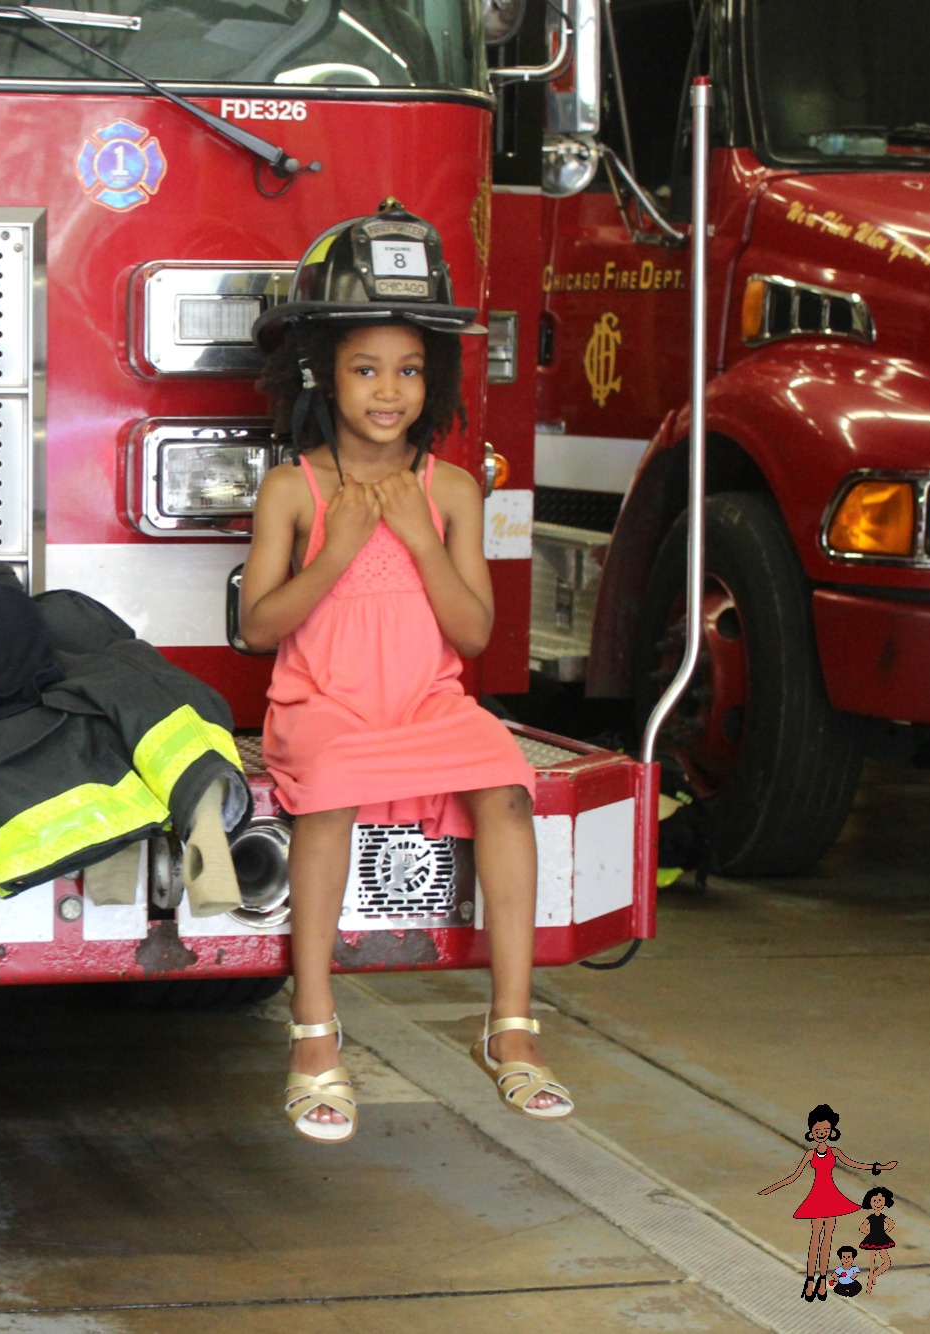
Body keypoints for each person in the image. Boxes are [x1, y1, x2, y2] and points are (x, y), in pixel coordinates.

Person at [238, 201, 569, 1143]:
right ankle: (313, 1033)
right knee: (331, 791)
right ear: (325, 375)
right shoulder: (292, 488)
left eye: (411, 369)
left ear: (438, 379)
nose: (390, 389)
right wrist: (337, 548)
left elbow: (471, 634)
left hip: (426, 701)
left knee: (506, 781)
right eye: (366, 369)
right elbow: (261, 630)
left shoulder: (451, 490)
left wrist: (420, 537)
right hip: (326, 704)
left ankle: (510, 1027)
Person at [757, 1104, 896, 1301]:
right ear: (811, 1132)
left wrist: (877, 1166)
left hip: (830, 1196)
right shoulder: (810, 1154)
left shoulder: (834, 1152)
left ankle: (822, 1280)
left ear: (831, 1131)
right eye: (817, 1131)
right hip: (817, 1195)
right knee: (815, 1240)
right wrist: (772, 1187)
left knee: (826, 1241)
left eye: (825, 1130)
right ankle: (809, 1281)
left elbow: (855, 1164)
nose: (821, 1133)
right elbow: (794, 1176)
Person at [857, 1187, 896, 1295]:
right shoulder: (873, 1217)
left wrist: (872, 1234)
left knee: (879, 1262)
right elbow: (862, 1227)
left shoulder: (878, 1217)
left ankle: (873, 1276)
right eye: (875, 1201)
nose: (877, 1203)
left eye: (880, 1201)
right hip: (877, 1238)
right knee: (877, 1262)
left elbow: (891, 1224)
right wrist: (883, 1233)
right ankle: (871, 1280)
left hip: (875, 1238)